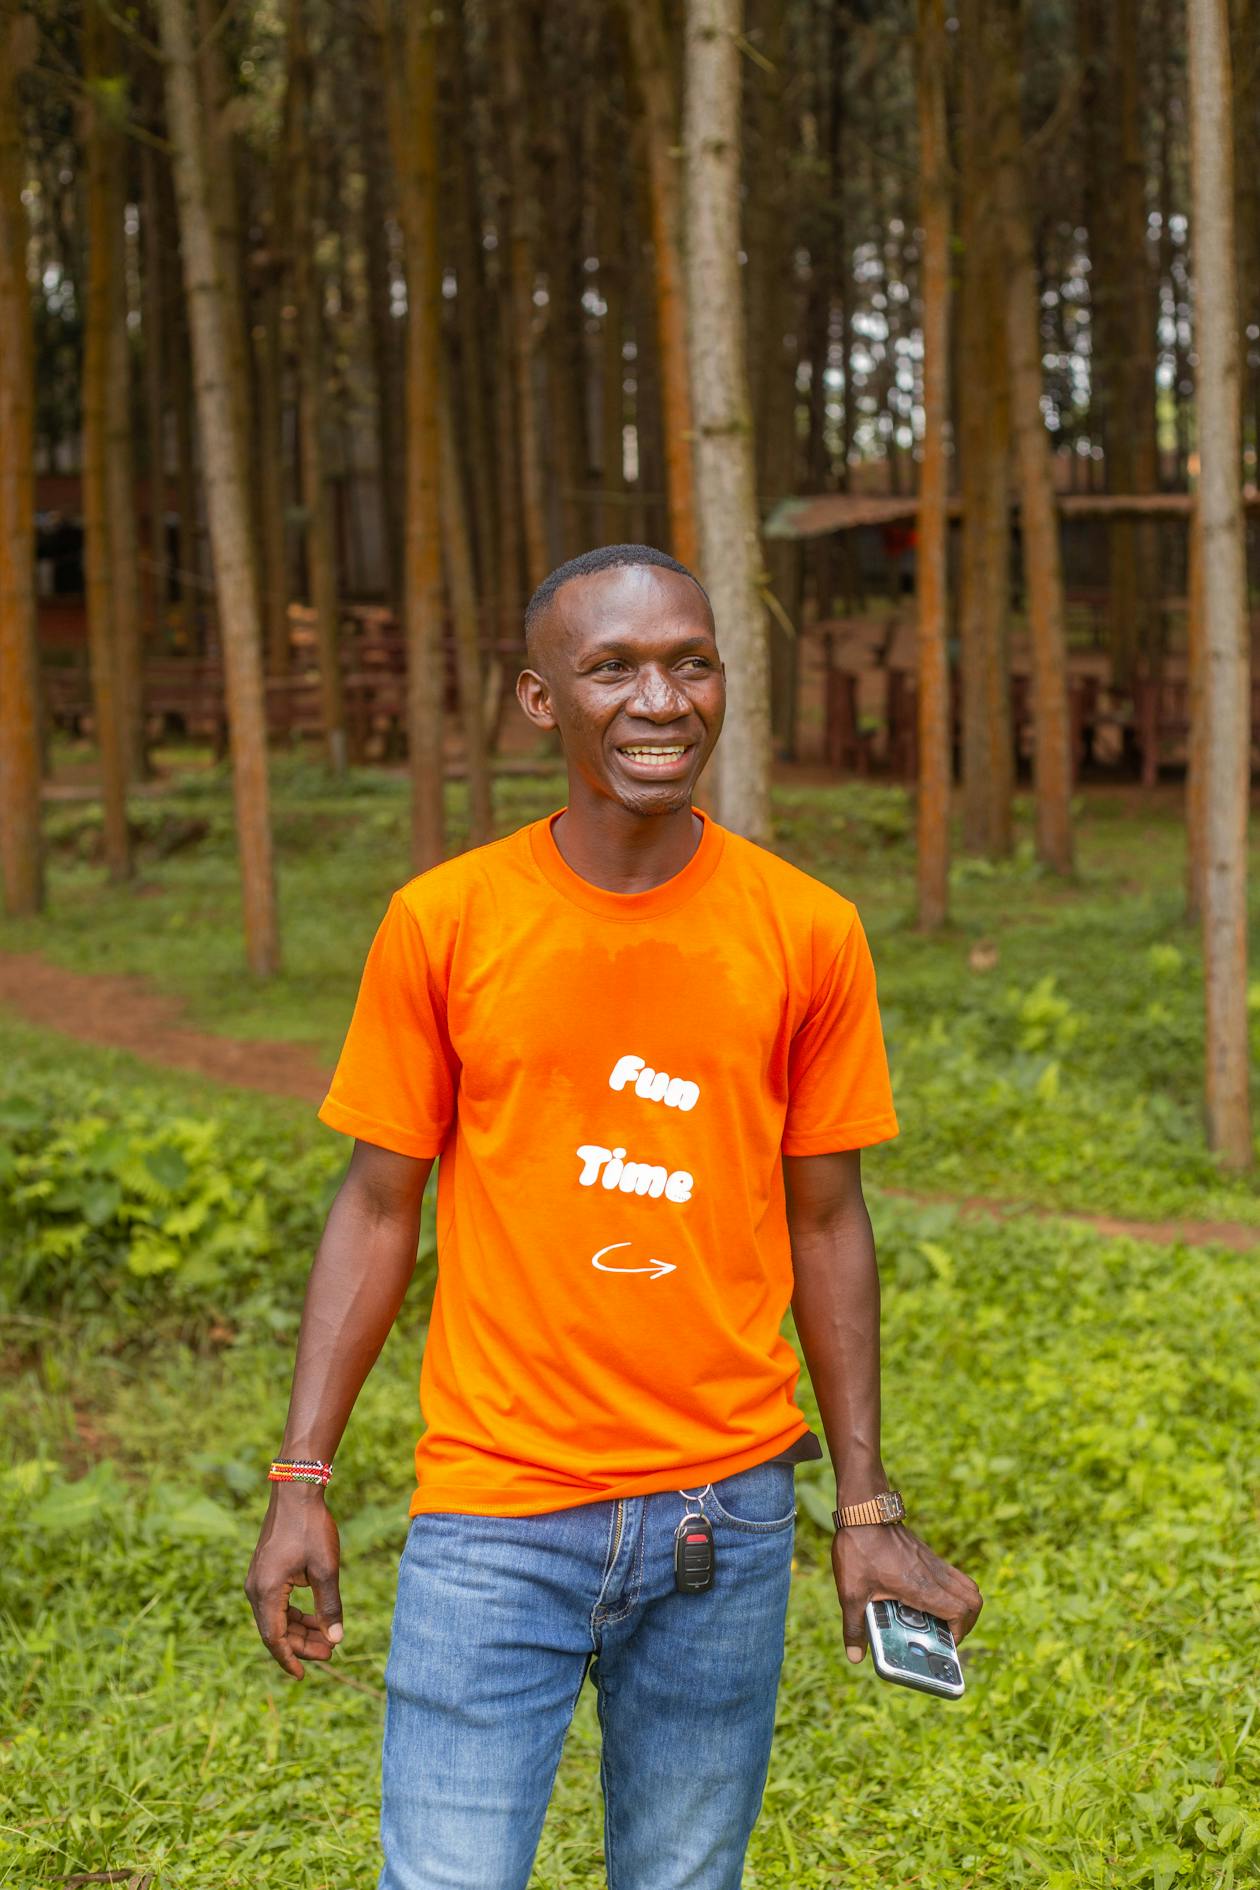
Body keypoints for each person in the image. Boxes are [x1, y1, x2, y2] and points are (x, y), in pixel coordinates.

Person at [245, 544, 982, 1890]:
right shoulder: (446, 922)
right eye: (614, 667)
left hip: (728, 1517)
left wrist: (864, 1502)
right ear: (541, 700)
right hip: (493, 1515)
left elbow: (828, 1223)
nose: (661, 699)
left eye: (690, 662)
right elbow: (377, 1205)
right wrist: (302, 1478)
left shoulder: (807, 931)